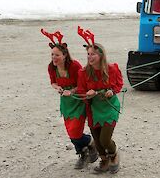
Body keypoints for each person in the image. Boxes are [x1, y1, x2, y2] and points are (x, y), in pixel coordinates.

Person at [41, 28, 98, 169]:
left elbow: (82, 83)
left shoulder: (74, 66)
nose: (54, 58)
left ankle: (90, 142)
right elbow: (53, 82)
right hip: (65, 102)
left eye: (57, 55)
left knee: (75, 131)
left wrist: (71, 91)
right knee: (70, 132)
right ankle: (83, 151)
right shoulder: (51, 67)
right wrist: (58, 88)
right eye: (52, 54)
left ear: (65, 55)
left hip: (78, 100)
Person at [76, 26, 124, 174]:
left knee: (104, 139)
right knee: (97, 141)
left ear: (101, 55)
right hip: (94, 109)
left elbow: (118, 84)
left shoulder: (112, 69)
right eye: (88, 54)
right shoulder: (83, 72)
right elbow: (81, 91)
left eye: (93, 54)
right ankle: (104, 159)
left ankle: (114, 155)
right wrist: (87, 95)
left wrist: (111, 91)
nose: (90, 57)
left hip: (109, 107)